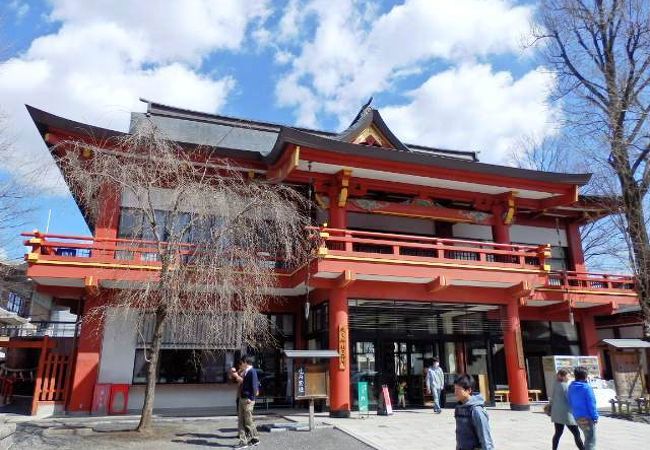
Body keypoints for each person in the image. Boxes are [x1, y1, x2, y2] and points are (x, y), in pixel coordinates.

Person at [453, 374, 494, 450]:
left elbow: (485, 438)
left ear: (468, 390)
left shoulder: (476, 411)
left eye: (458, 390)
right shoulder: (459, 407)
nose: (455, 393)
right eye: (455, 389)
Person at [549, 368, 585, 450]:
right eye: (568, 376)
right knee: (576, 433)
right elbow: (570, 399)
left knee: (558, 433)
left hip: (557, 413)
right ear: (562, 376)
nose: (569, 378)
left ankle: (554, 449)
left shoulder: (555, 383)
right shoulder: (565, 386)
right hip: (567, 414)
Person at [567, 366, 598, 450]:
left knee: (587, 438)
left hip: (577, 417)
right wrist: (595, 416)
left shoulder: (571, 387)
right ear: (585, 375)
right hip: (587, 417)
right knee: (591, 441)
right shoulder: (586, 387)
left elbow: (569, 402)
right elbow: (591, 403)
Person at [233, 355, 260, 449]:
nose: (241, 364)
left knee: (248, 421)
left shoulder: (252, 371)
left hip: (247, 399)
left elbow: (254, 386)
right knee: (241, 421)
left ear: (245, 362)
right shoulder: (246, 371)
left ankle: (255, 438)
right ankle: (243, 441)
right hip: (242, 398)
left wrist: (251, 398)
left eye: (242, 362)